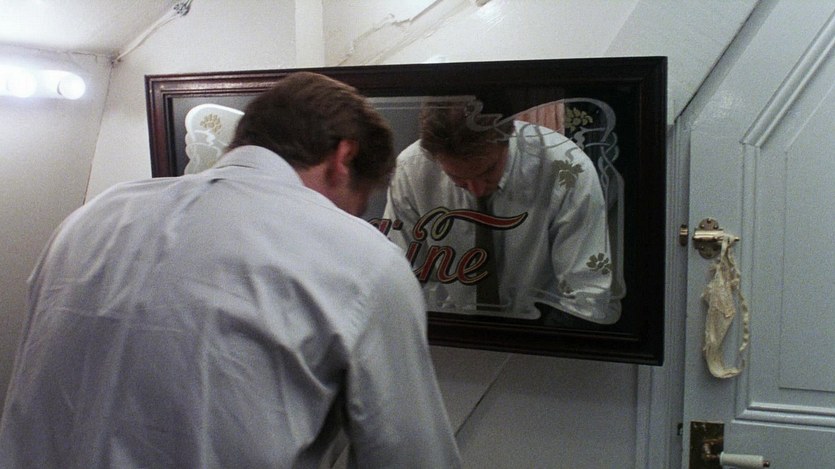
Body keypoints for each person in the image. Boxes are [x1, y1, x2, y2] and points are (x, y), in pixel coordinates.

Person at [0, 72, 461, 468]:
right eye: (356, 204)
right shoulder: (361, 258)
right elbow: (409, 456)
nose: (351, 217)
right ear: (343, 159)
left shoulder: (94, 217)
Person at [383, 98, 616, 324]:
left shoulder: (567, 170)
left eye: (488, 171)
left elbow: (586, 295)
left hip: (544, 332)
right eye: (457, 178)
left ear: (509, 136)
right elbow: (399, 279)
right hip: (450, 331)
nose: (476, 190)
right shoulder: (410, 172)